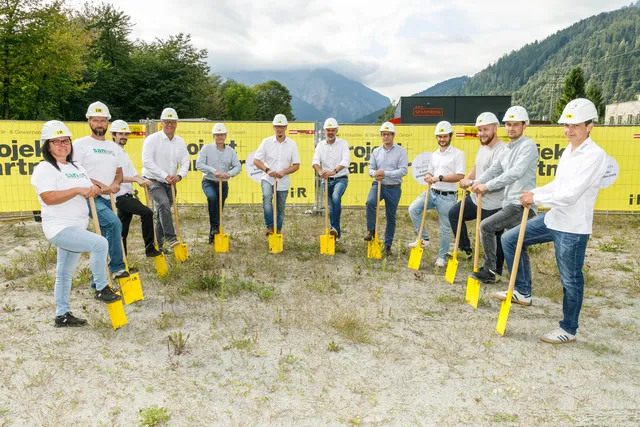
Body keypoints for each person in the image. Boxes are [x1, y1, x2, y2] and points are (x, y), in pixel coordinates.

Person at [498, 99, 608, 344]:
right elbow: (558, 185)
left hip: (572, 228)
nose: (568, 131)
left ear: (590, 126)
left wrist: (536, 196)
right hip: (553, 218)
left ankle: (568, 329)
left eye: (575, 126)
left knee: (570, 278)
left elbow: (570, 194)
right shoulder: (569, 151)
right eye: (565, 126)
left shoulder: (595, 156)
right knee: (510, 238)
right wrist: (534, 192)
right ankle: (523, 291)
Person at [31, 121, 122, 327]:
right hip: (59, 228)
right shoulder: (44, 168)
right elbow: (48, 197)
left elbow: (86, 185)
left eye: (66, 141)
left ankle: (61, 315)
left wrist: (95, 187)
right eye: (56, 141)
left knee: (64, 273)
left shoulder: (75, 166)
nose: (63, 145)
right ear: (47, 145)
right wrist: (77, 191)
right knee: (99, 243)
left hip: (77, 226)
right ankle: (101, 287)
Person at [470, 106, 538, 284]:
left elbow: (516, 172)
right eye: (508, 124)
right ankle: (521, 286)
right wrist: (475, 183)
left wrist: (486, 186)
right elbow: (494, 170)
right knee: (516, 245)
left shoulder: (528, 146)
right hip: (509, 204)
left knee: (486, 226)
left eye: (515, 124)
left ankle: (491, 270)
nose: (511, 128)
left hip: (522, 205)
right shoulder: (507, 149)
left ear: (525, 125)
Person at [72, 101, 129, 283]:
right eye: (95, 120)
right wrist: (97, 185)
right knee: (114, 224)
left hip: (107, 198)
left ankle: (97, 282)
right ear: (88, 121)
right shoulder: (80, 144)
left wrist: (115, 183)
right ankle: (118, 268)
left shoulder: (114, 148)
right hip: (88, 198)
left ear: (108, 123)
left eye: (103, 121)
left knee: (104, 239)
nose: (99, 124)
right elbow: (76, 171)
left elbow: (119, 173)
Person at [448, 112, 506, 272]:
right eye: (479, 130)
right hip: (475, 198)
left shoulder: (502, 151)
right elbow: (476, 167)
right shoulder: (482, 147)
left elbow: (496, 176)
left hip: (493, 203)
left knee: (494, 236)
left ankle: (495, 270)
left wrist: (472, 182)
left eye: (485, 129)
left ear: (495, 128)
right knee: (454, 214)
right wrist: (466, 179)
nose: (482, 133)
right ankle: (465, 248)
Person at [408, 121, 465, 267]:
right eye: (439, 137)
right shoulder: (434, 155)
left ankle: (442, 257)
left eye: (444, 136)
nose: (442, 139)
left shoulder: (458, 154)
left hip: (448, 195)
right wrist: (428, 176)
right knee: (413, 209)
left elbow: (460, 176)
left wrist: (439, 178)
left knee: (445, 228)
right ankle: (424, 238)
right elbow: (430, 171)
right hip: (432, 192)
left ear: (450, 136)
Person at [110, 120, 161, 257]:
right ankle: (150, 249)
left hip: (127, 194)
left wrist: (143, 178)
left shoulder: (123, 153)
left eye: (126, 134)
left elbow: (132, 173)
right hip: (119, 196)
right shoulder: (111, 153)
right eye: (121, 134)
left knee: (122, 232)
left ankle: (122, 262)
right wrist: (135, 179)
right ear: (113, 134)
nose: (124, 137)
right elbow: (114, 176)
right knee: (147, 213)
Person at [141, 107, 189, 251]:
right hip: (153, 180)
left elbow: (185, 162)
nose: (170, 125)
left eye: (172, 122)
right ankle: (171, 237)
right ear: (161, 123)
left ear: (176, 124)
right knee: (163, 203)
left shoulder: (180, 142)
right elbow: (147, 161)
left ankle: (158, 246)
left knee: (163, 212)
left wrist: (179, 175)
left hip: (171, 183)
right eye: (167, 122)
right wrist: (164, 175)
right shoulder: (152, 140)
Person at [364, 121, 408, 257]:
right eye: (383, 134)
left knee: (391, 217)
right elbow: (370, 168)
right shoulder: (376, 151)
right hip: (378, 185)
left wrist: (385, 173)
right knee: (370, 203)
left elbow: (403, 170)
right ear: (381, 136)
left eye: (388, 134)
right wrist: (374, 174)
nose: (386, 137)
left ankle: (388, 246)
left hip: (394, 187)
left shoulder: (401, 152)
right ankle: (372, 231)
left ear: (393, 135)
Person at [253, 114, 300, 236]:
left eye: (282, 126)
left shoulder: (292, 144)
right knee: (267, 198)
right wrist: (267, 170)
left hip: (283, 181)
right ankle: (269, 227)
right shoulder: (266, 142)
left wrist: (284, 171)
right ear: (273, 127)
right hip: (268, 178)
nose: (279, 129)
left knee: (280, 209)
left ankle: (277, 232)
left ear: (286, 127)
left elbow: (296, 165)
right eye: (277, 126)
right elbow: (256, 160)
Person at [196, 123, 241, 243]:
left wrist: (229, 174)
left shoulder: (231, 151)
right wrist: (213, 171)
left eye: (222, 135)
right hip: (208, 181)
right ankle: (215, 227)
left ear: (225, 136)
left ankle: (213, 234)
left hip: (223, 184)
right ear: (213, 136)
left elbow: (238, 166)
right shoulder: (206, 148)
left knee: (218, 209)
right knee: (212, 198)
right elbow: (199, 164)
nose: (219, 137)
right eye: (217, 135)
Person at [312, 118, 351, 240]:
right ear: (324, 131)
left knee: (335, 197)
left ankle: (334, 230)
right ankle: (335, 233)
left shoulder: (343, 143)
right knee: (330, 208)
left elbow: (346, 161)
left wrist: (333, 171)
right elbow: (315, 161)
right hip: (326, 181)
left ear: (336, 131)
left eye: (332, 130)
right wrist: (320, 172)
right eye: (328, 130)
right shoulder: (320, 145)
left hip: (341, 178)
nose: (330, 132)